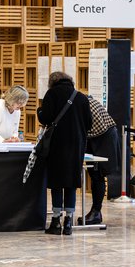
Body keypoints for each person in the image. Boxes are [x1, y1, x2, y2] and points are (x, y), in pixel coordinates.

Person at [37, 72, 91, 235]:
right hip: (77, 145)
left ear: (52, 82)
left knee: (56, 182)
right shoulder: (81, 97)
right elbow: (89, 123)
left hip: (57, 144)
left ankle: (55, 221)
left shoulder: (52, 94)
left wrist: (40, 112)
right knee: (71, 183)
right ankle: (68, 221)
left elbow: (46, 118)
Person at [78, 95, 119, 225]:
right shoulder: (79, 99)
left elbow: (91, 126)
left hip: (103, 137)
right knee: (95, 174)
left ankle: (96, 212)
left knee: (98, 174)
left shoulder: (78, 102)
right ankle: (96, 212)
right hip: (98, 136)